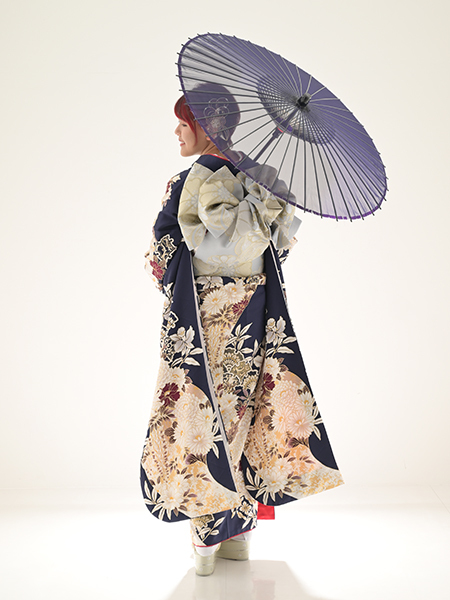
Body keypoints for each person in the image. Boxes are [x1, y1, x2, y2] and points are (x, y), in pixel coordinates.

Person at [140, 86, 344, 576]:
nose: (177, 131)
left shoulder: (185, 182)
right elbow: (279, 248)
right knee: (248, 410)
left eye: (184, 123)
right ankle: (238, 536)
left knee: (202, 413)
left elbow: (163, 253)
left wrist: (177, 266)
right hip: (254, 307)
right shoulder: (264, 181)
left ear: (206, 128)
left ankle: (206, 539)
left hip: (203, 313)